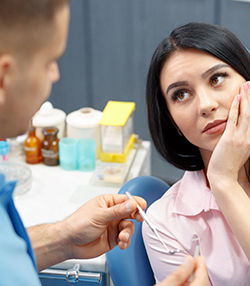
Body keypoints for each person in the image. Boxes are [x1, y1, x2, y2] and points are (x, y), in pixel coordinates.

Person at [0, 1, 207, 285]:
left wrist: (63, 238)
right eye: (49, 62)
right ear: (3, 78)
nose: (55, 75)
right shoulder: (170, 222)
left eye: (218, 78)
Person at [142, 22, 250, 286]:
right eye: (181, 94)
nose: (206, 105)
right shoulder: (166, 226)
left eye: (217, 78)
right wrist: (223, 180)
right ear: (172, 121)